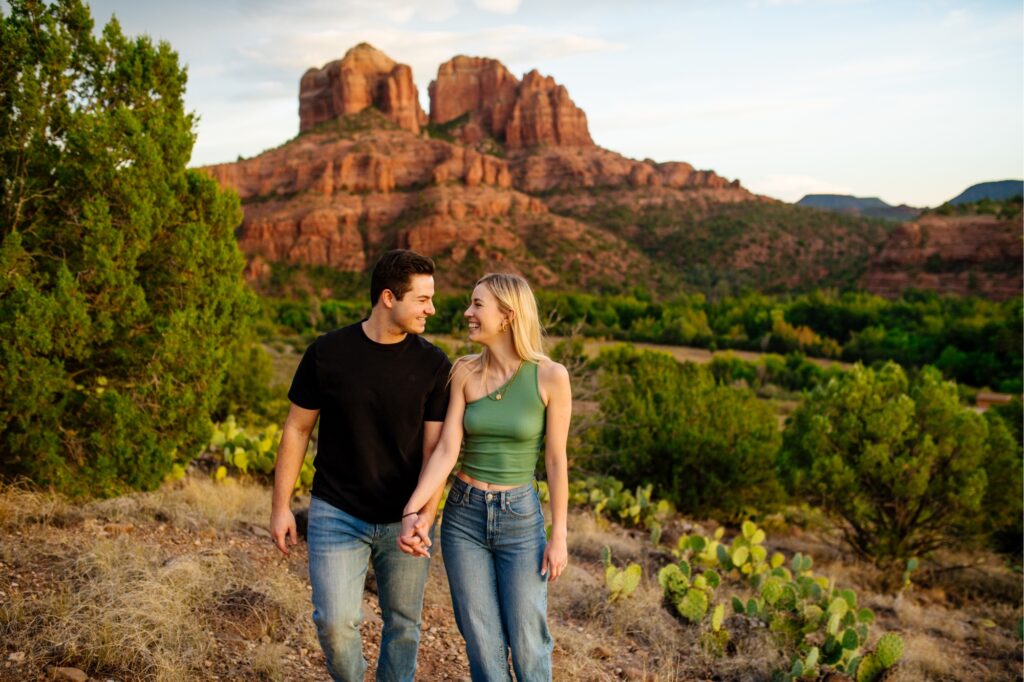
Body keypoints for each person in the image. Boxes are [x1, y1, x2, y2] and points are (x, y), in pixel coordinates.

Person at [269, 249, 452, 682]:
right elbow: (297, 429)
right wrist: (280, 506)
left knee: (404, 625)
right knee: (334, 623)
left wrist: (423, 518)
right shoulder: (327, 353)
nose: (432, 309)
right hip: (336, 512)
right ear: (389, 298)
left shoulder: (433, 364)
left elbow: (434, 455)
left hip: (404, 519)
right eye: (422, 299)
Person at [398, 273, 572, 682]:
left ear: (508, 315)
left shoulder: (550, 376)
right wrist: (415, 509)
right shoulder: (463, 372)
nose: (467, 313)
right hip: (464, 517)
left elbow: (556, 460)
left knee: (529, 643)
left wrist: (559, 534)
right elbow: (446, 450)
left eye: (478, 305)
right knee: (481, 642)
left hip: (521, 520)